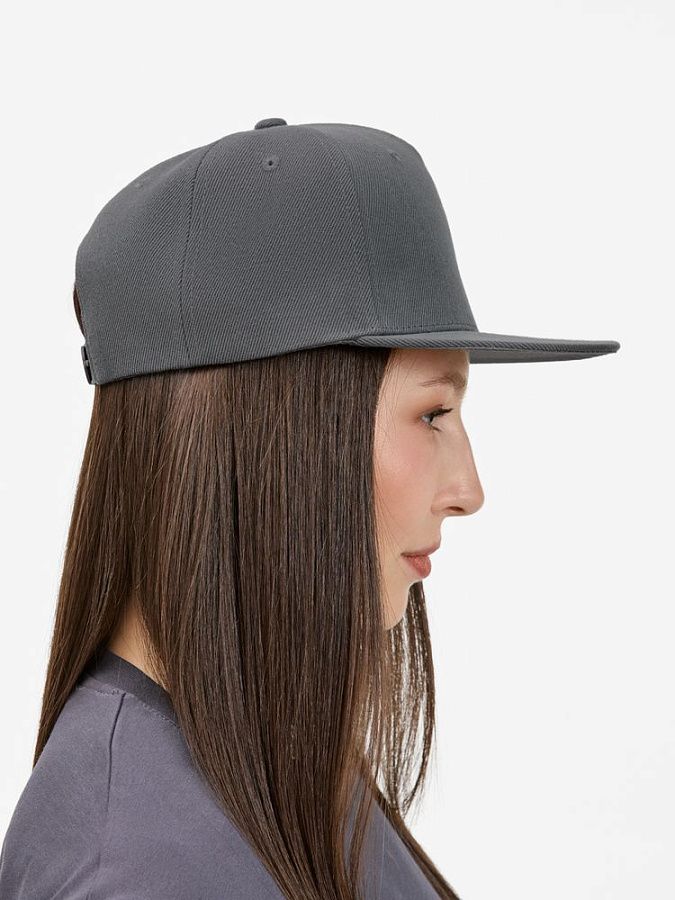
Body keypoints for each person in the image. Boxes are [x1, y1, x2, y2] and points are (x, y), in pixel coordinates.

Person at [0, 118, 619, 900]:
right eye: (432, 413)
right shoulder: (138, 869)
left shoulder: (251, 759)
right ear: (276, 429)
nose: (468, 489)